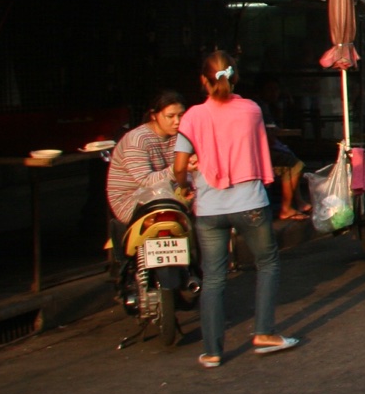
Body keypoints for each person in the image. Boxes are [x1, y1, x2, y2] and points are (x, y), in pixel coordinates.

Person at [177, 51, 298, 369]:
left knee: (214, 277)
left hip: (209, 207)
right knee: (267, 264)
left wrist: (185, 183)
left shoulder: (192, 117)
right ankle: (264, 333)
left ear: (203, 81)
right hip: (251, 202)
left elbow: (179, 165)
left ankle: (213, 351)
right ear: (235, 77)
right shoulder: (252, 110)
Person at [108, 90, 185, 225]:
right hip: (132, 201)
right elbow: (146, 181)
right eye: (170, 116)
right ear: (154, 115)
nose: (177, 121)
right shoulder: (137, 140)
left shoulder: (180, 136)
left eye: (181, 115)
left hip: (167, 193)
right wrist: (179, 168)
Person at [257, 78, 305, 222]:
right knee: (295, 164)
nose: (274, 93)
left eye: (276, 90)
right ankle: (286, 207)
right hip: (261, 152)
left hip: (266, 149)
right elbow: (270, 135)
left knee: (291, 160)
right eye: (270, 90)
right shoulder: (257, 107)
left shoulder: (269, 106)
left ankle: (298, 201)